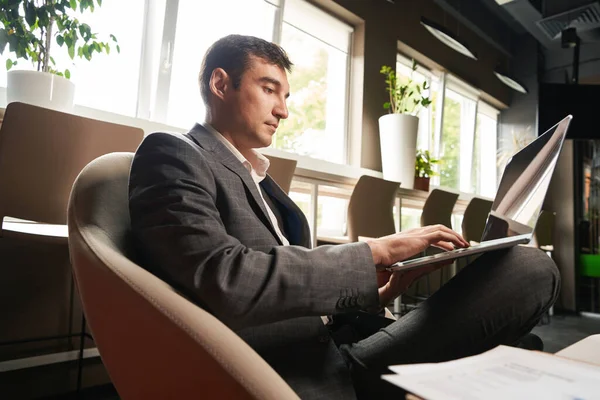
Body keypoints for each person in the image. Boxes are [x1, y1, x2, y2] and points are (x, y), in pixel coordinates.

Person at [128, 34, 560, 399]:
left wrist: (383, 289)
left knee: (524, 340)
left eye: (286, 95)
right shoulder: (172, 155)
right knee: (529, 270)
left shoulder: (258, 178)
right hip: (305, 372)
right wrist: (372, 250)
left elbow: (286, 286)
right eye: (268, 88)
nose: (283, 110)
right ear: (221, 84)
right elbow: (226, 278)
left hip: (336, 338)